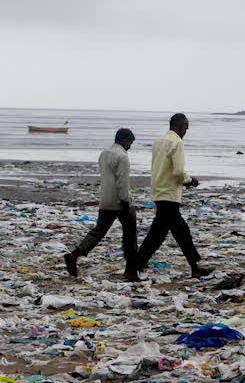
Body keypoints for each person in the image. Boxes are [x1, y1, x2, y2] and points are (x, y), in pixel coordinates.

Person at [133, 113, 213, 278]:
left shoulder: (159, 142)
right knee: (177, 231)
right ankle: (135, 266)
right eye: (186, 127)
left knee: (162, 233)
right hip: (170, 194)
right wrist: (189, 181)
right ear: (179, 125)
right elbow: (178, 172)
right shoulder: (177, 142)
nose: (186, 131)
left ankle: (137, 265)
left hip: (158, 190)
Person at [64, 128, 139, 280]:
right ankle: (130, 270)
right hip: (120, 201)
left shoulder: (104, 153)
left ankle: (74, 254)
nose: (130, 146)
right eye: (130, 143)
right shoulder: (122, 157)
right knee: (130, 235)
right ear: (125, 140)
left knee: (98, 232)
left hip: (105, 200)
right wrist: (126, 201)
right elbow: (122, 182)